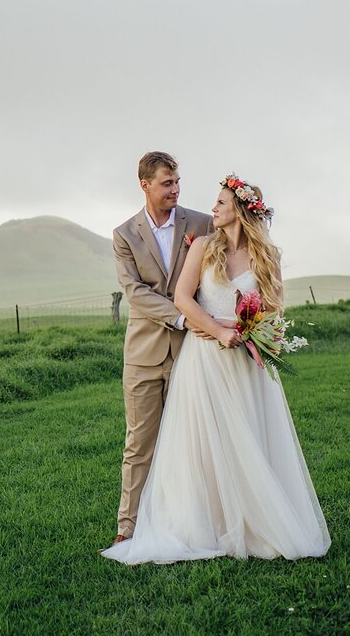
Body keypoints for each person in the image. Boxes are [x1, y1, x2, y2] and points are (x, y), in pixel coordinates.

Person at [102, 174, 330, 564]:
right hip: (205, 357)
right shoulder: (205, 246)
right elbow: (183, 299)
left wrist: (252, 333)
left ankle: (251, 520)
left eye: (222, 202)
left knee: (249, 438)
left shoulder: (267, 256)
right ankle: (200, 522)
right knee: (202, 445)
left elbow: (274, 309)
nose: (214, 208)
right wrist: (218, 331)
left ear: (239, 209)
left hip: (245, 361)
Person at [109, 152, 214, 545]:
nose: (175, 189)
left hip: (194, 353)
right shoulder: (124, 235)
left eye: (177, 182)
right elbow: (135, 293)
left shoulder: (202, 224)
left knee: (190, 441)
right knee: (139, 443)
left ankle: (187, 522)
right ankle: (128, 528)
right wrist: (184, 317)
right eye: (167, 183)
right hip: (144, 355)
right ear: (145, 185)